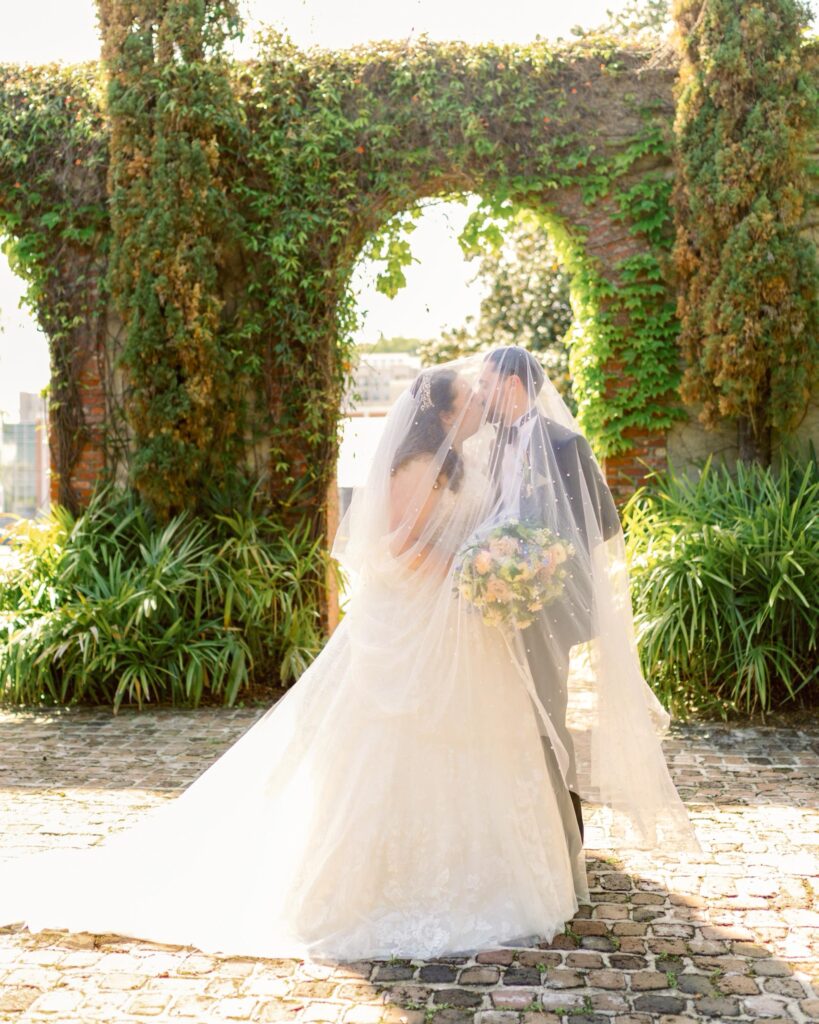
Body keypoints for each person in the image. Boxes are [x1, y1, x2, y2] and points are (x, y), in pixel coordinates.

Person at [0, 351, 699, 961]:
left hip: (467, 624)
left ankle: (498, 867)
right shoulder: (414, 464)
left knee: (483, 743)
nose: (481, 404)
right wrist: (473, 567)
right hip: (422, 623)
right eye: (471, 398)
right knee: (400, 744)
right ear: (444, 410)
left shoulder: (465, 459)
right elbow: (397, 547)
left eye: (486, 395)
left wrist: (495, 566)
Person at [477, 346, 621, 843]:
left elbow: (603, 522)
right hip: (492, 605)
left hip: (546, 608)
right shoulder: (488, 447)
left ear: (512, 385)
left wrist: (544, 563)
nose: (479, 393)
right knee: (497, 714)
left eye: (486, 382)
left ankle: (563, 834)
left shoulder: (565, 444)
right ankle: (511, 830)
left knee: (547, 716)